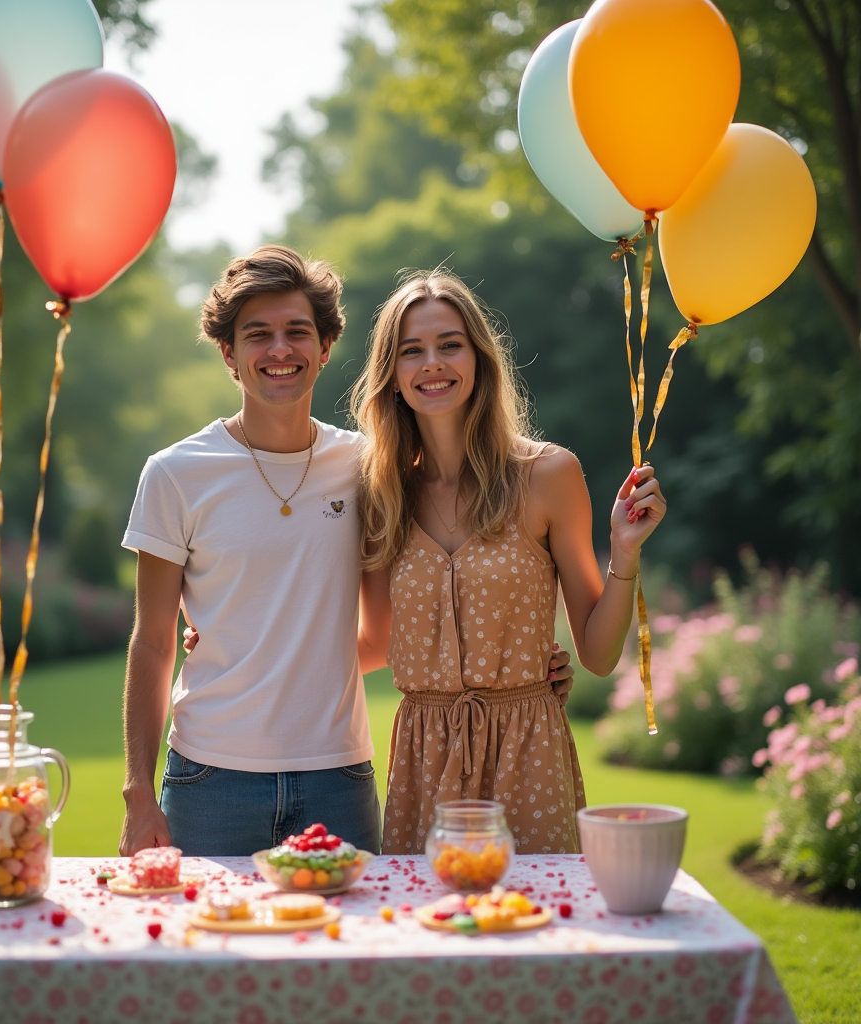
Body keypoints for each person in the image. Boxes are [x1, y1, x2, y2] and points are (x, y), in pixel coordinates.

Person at [120, 245, 576, 857]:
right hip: (209, 779)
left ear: (326, 346)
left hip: (340, 780)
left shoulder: (371, 469)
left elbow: (389, 629)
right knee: (207, 949)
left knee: (351, 953)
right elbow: (152, 640)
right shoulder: (175, 474)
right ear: (229, 353)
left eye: (297, 332)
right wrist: (137, 792)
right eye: (258, 335)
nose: (280, 350)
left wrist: (520, 665)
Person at [351, 271, 667, 856]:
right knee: (429, 937)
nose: (433, 364)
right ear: (391, 376)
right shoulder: (380, 494)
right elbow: (372, 644)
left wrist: (624, 551)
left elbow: (596, 656)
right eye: (411, 351)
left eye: (450, 344)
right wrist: (240, 636)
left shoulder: (548, 475)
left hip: (529, 755)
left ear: (479, 358)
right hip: (425, 760)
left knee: (540, 931)